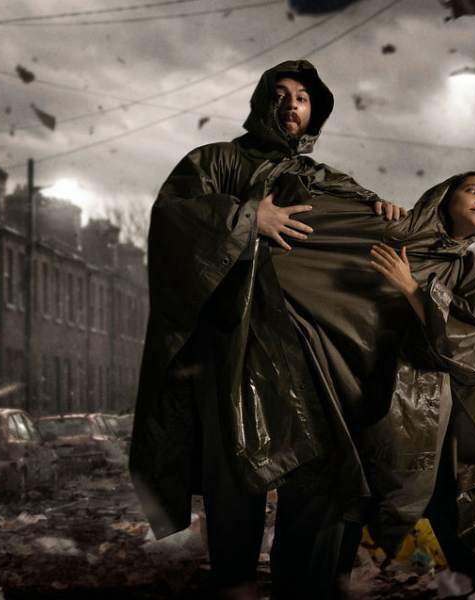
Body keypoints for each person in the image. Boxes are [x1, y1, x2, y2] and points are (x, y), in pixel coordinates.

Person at [128, 59, 403, 599]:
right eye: (279, 92)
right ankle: (236, 588)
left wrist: (384, 213)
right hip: (234, 348)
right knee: (235, 479)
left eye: (302, 96)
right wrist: (251, 217)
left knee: (319, 470)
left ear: (314, 110)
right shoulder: (215, 162)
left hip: (307, 354)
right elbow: (172, 218)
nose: (290, 103)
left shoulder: (332, 183)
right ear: (261, 101)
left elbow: (371, 242)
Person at [269, 171, 475, 598]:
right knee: (341, 498)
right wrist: (368, 206)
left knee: (445, 503)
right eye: (472, 190)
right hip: (354, 388)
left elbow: (468, 333)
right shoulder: (393, 231)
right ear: (443, 196)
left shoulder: (473, 273)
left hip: (429, 411)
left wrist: (413, 289)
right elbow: (325, 242)